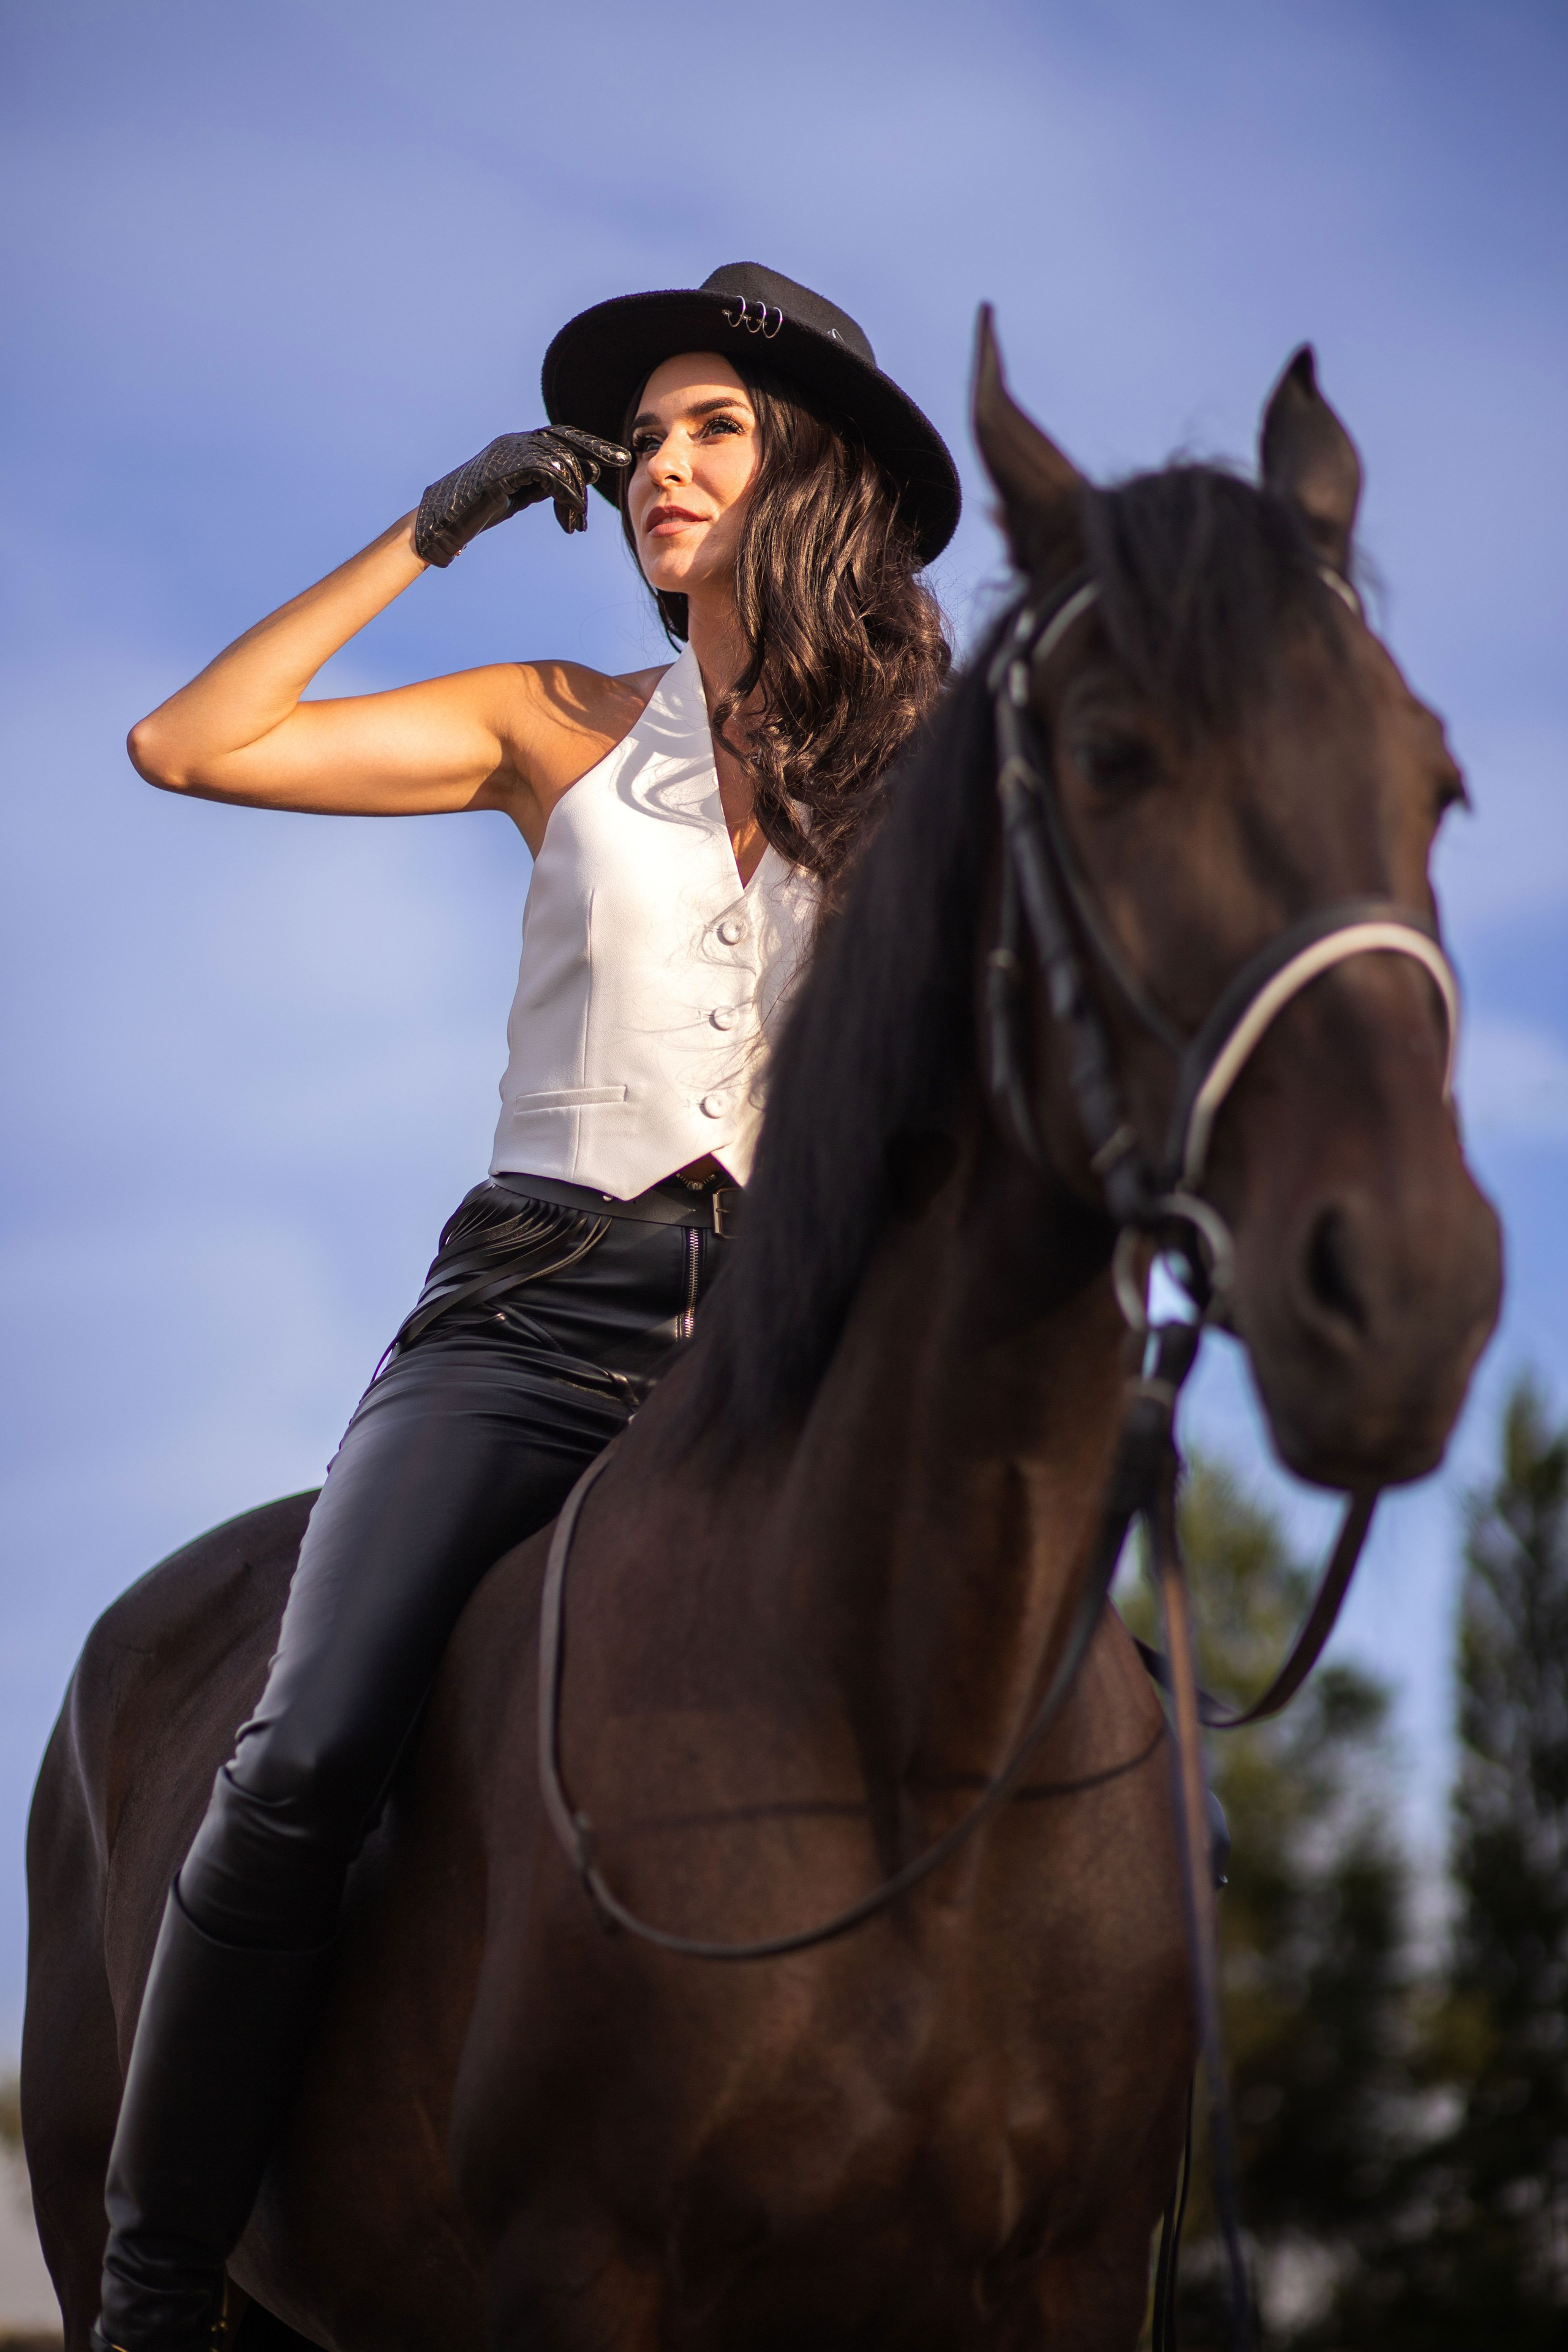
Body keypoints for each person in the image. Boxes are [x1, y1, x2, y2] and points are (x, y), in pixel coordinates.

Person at [93, 263, 959, 2352]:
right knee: (300, 1757)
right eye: (645, 436)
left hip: (801, 1365)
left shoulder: (931, 777)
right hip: (531, 1329)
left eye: (716, 430)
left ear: (818, 475)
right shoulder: (552, 721)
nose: (662, 463)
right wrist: (433, 529)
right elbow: (187, 744)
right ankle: (150, 2294)